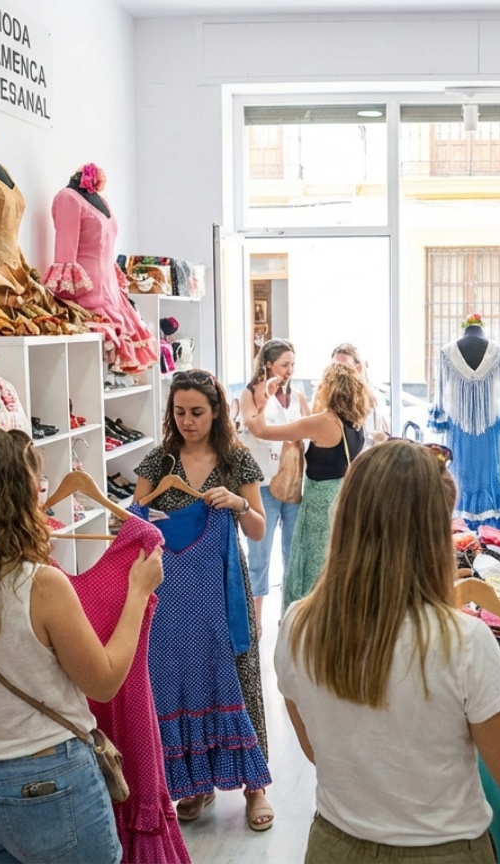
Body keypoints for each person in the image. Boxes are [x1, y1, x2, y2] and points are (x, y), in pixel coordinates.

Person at [276, 440, 500, 863]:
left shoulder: (298, 625)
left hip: (336, 845)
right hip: (443, 852)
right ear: (434, 529)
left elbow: (318, 751)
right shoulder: (462, 641)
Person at [0, 428, 165, 863]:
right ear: (16, 500)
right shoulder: (39, 584)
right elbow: (103, 682)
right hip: (47, 782)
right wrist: (137, 593)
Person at [133, 370, 276, 829]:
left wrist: (237, 504)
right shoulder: (158, 462)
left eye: (197, 412)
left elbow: (257, 529)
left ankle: (256, 788)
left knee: (238, 677)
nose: (188, 421)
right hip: (170, 592)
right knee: (180, 682)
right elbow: (135, 524)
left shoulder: (237, 460)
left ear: (216, 410)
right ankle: (195, 784)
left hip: (223, 584)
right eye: (179, 412)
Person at [244, 362, 371, 610]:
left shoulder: (322, 422)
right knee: (334, 563)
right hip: (343, 498)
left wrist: (263, 399)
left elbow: (259, 430)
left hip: (319, 504)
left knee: (311, 565)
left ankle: (305, 623)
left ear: (328, 388)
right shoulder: (356, 421)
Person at [237, 339, 309, 625]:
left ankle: (288, 615)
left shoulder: (298, 394)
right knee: (259, 554)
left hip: (293, 483)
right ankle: (255, 618)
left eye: (292, 364)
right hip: (262, 483)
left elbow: (309, 428)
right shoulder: (250, 393)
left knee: (293, 552)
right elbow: (254, 427)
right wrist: (266, 397)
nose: (290, 369)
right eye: (284, 364)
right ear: (268, 364)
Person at [331, 342, 391, 442]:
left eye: (345, 366)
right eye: (335, 366)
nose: (339, 371)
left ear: (358, 367)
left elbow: (373, 433)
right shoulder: (327, 397)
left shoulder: (370, 398)